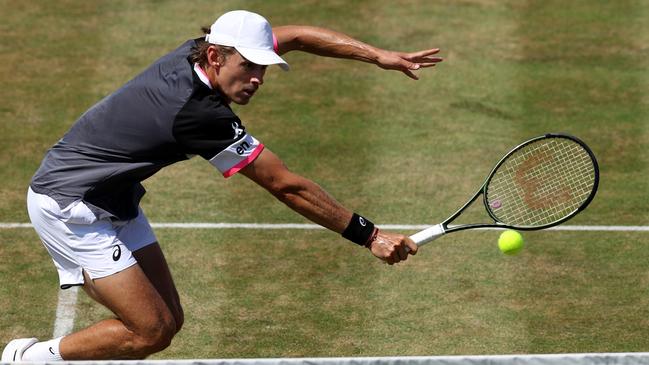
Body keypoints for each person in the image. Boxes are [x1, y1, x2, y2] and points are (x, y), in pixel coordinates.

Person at [2, 10, 442, 361]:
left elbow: (300, 36)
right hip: (70, 206)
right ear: (216, 58)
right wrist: (369, 235)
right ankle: (32, 359)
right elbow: (285, 185)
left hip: (113, 196)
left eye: (263, 68)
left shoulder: (194, 53)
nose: (258, 79)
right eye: (249, 67)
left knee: (169, 323)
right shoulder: (200, 115)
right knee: (149, 331)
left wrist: (378, 55)